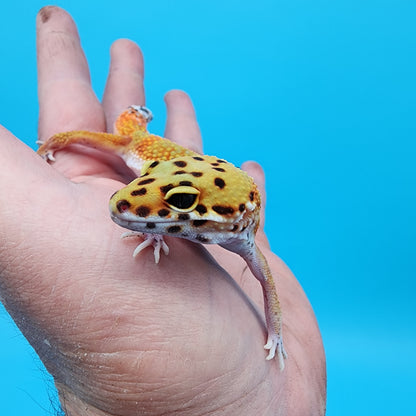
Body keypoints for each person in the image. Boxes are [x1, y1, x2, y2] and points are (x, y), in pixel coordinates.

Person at [0, 6, 326, 415]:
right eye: (139, 190)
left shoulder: (242, 239)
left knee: (131, 149)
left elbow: (269, 290)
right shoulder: (158, 173)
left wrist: (275, 335)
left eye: (182, 204)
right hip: (167, 160)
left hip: (194, 174)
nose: (121, 205)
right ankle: (112, 131)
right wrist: (61, 142)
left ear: (235, 221)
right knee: (123, 141)